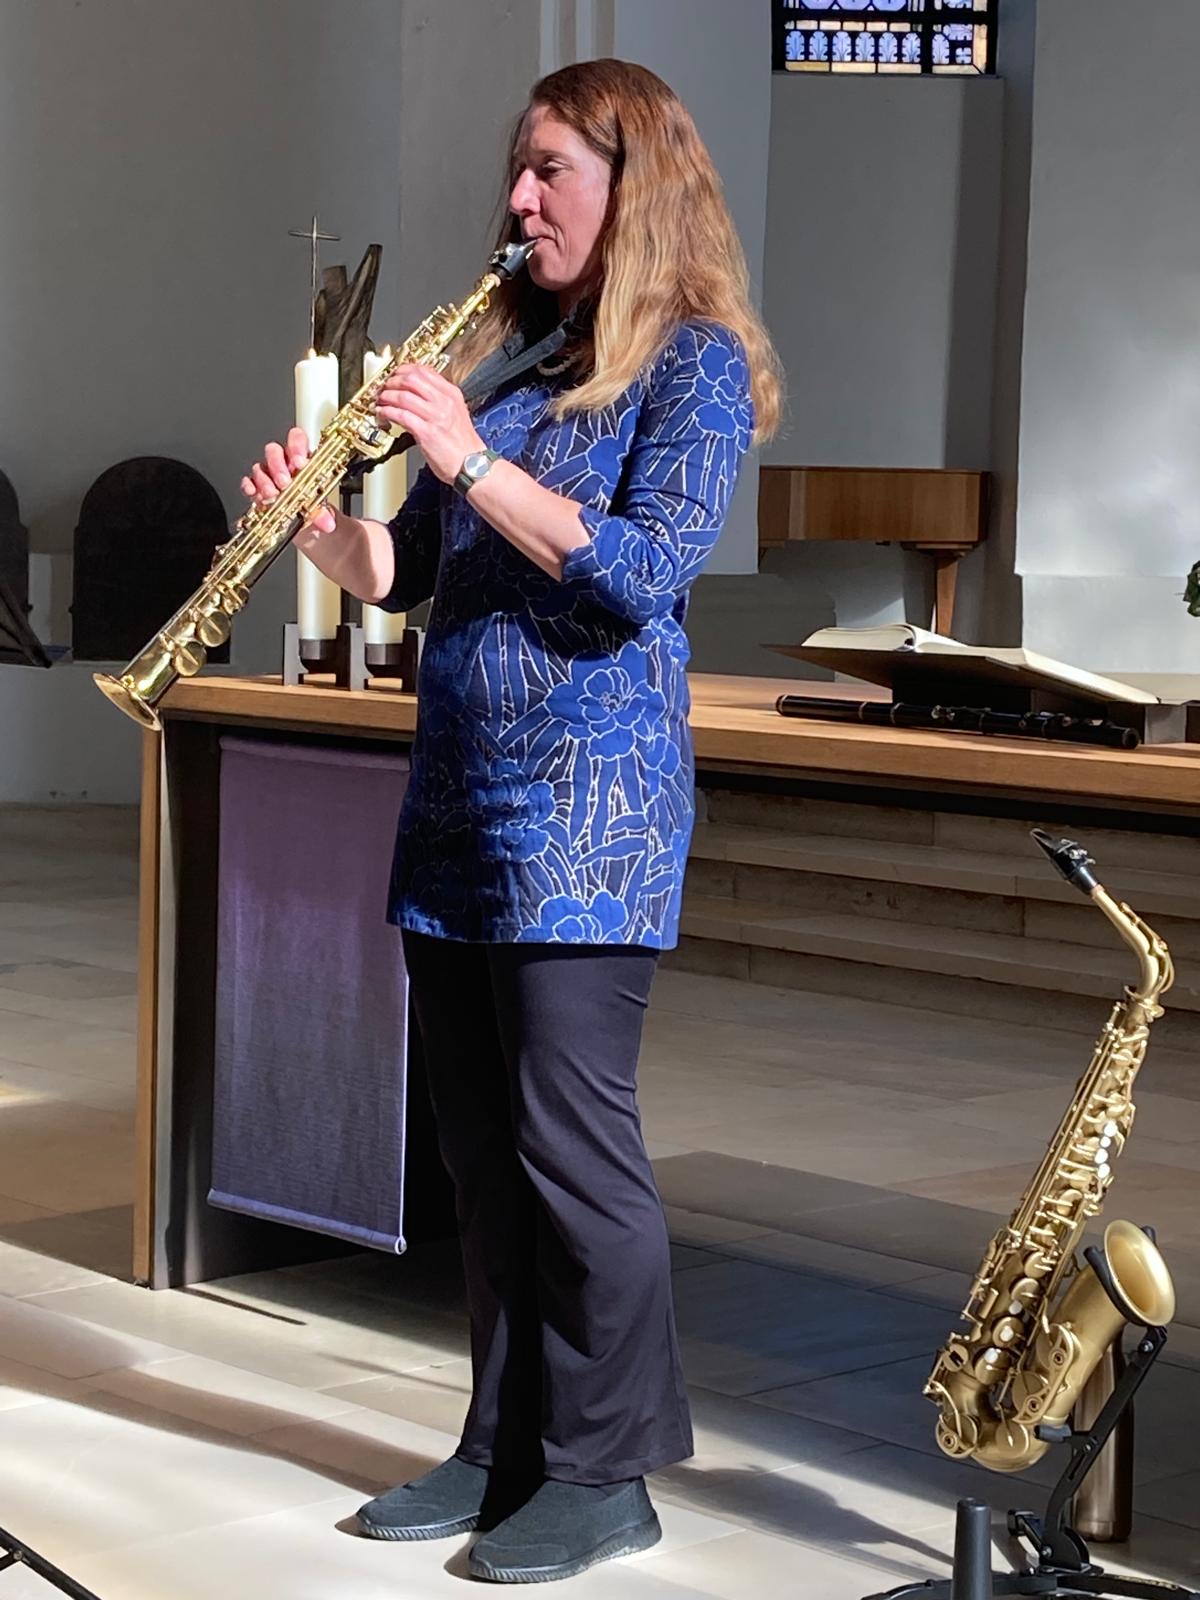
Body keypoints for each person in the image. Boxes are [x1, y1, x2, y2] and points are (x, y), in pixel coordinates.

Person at [242, 57, 781, 1585]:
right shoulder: (515, 358)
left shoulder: (694, 364)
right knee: (478, 1151)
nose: (518, 197)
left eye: (551, 170)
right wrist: (323, 530)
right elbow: (409, 572)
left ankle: (606, 1471)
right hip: (463, 807)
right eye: (519, 168)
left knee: (569, 1145)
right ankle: (503, 1445)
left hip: (589, 823)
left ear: (634, 185)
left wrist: (469, 461)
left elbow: (640, 573)